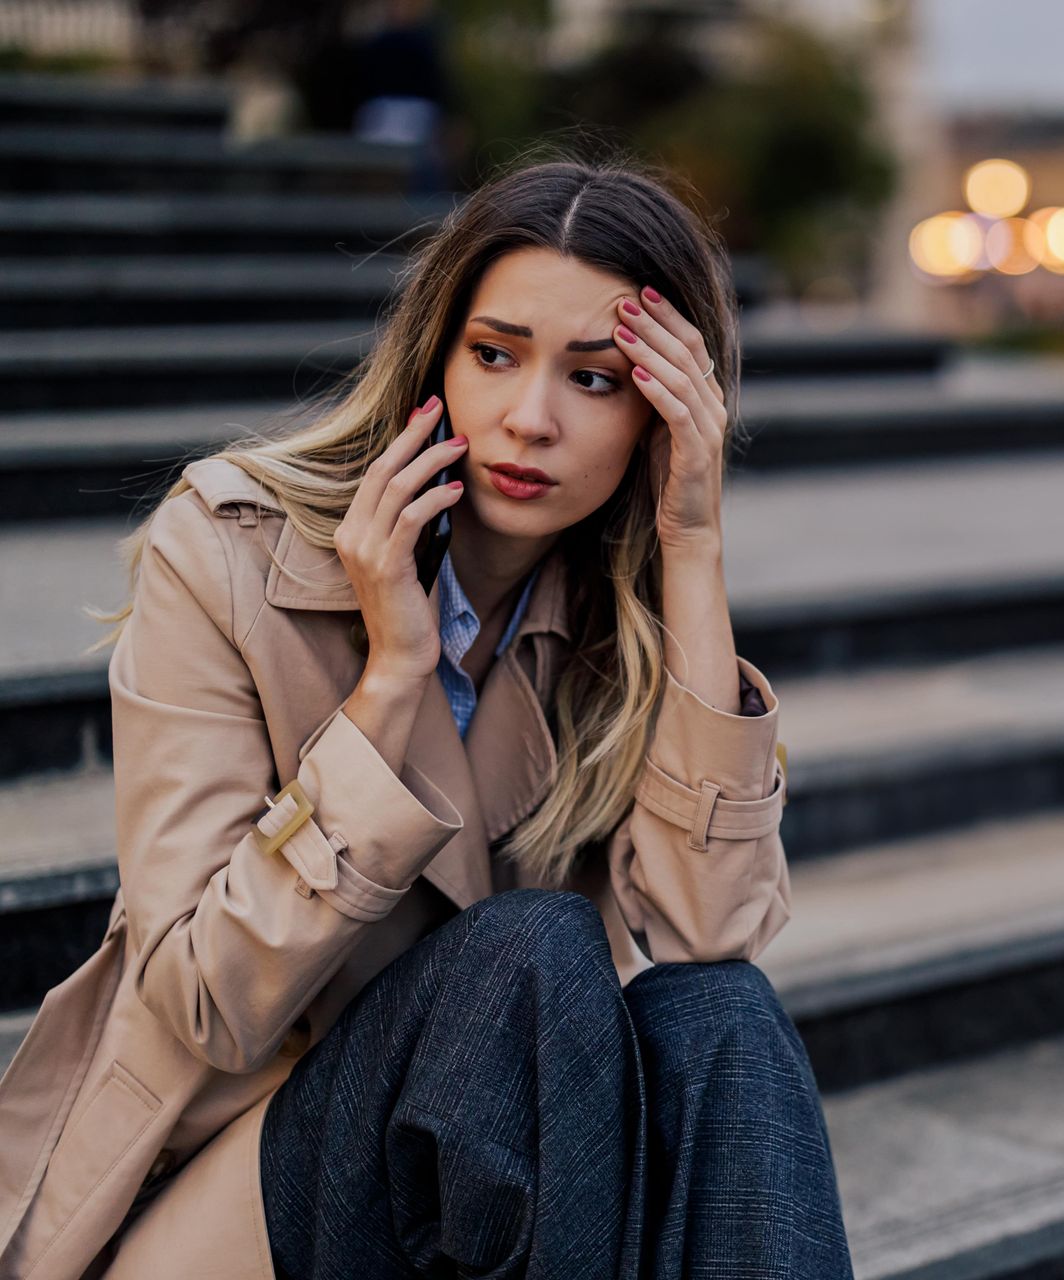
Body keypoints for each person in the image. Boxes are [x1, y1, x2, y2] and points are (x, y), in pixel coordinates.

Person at [0, 151, 854, 1280]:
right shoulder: (226, 554)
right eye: (494, 355)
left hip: (499, 1185)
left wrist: (691, 551)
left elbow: (710, 936)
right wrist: (390, 682)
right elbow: (203, 1002)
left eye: (595, 379)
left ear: (662, 413)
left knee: (727, 1023)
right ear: (436, 357)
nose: (529, 417)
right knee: (529, 952)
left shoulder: (621, 623)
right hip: (224, 1195)